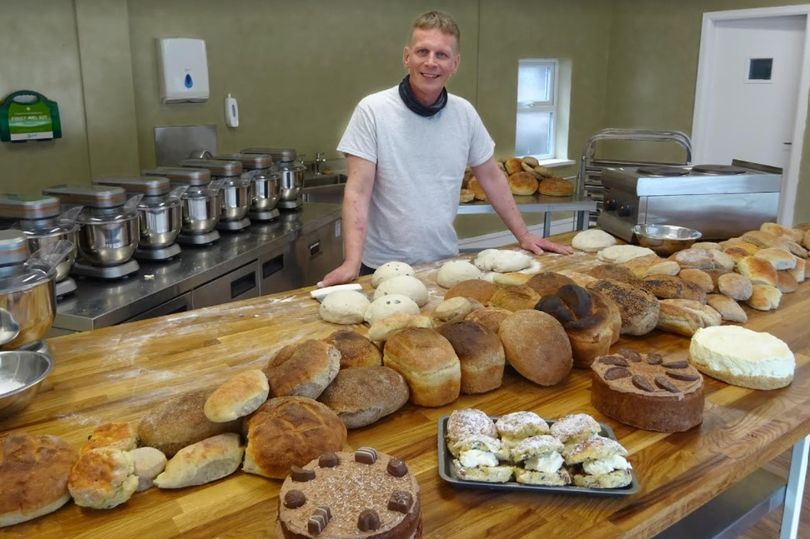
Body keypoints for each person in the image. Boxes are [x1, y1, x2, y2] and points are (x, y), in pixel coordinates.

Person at [320, 10, 572, 287]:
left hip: (443, 262)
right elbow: (358, 191)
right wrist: (351, 262)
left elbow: (491, 177)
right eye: (422, 51)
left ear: (455, 63)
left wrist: (524, 235)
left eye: (441, 55)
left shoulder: (464, 114)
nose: (431, 62)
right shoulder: (373, 110)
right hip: (381, 266)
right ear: (407, 57)